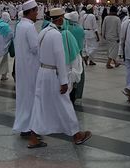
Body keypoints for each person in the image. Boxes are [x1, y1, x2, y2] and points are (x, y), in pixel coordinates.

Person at [27, 8, 92, 148]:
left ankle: (33, 138)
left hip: (42, 72)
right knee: (65, 104)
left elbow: (37, 54)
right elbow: (60, 59)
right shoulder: (56, 35)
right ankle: (76, 135)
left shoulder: (43, 32)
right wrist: (63, 82)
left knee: (40, 105)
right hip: (52, 74)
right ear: (60, 19)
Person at [13, 0, 40, 137]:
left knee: (24, 97)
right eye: (35, 11)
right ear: (30, 12)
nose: (37, 14)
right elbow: (35, 48)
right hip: (30, 68)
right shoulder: (29, 27)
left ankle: (24, 126)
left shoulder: (20, 25)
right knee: (30, 96)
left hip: (22, 67)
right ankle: (28, 127)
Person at [63, 11, 86, 104]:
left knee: (69, 72)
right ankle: (78, 94)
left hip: (69, 52)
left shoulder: (67, 29)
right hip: (79, 53)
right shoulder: (80, 29)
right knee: (80, 73)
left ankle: (70, 92)